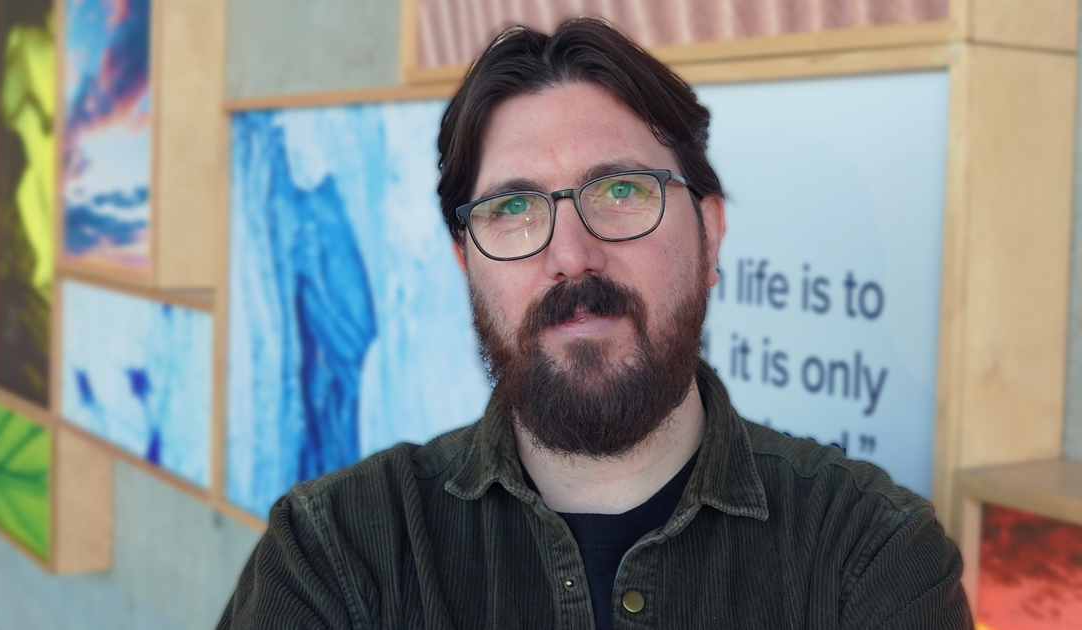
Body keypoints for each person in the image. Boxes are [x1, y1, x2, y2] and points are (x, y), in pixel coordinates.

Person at [218, 18, 972, 630]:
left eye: (619, 189)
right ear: (465, 262)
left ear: (709, 234)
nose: (571, 258)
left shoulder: (872, 561)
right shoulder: (333, 555)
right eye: (513, 209)